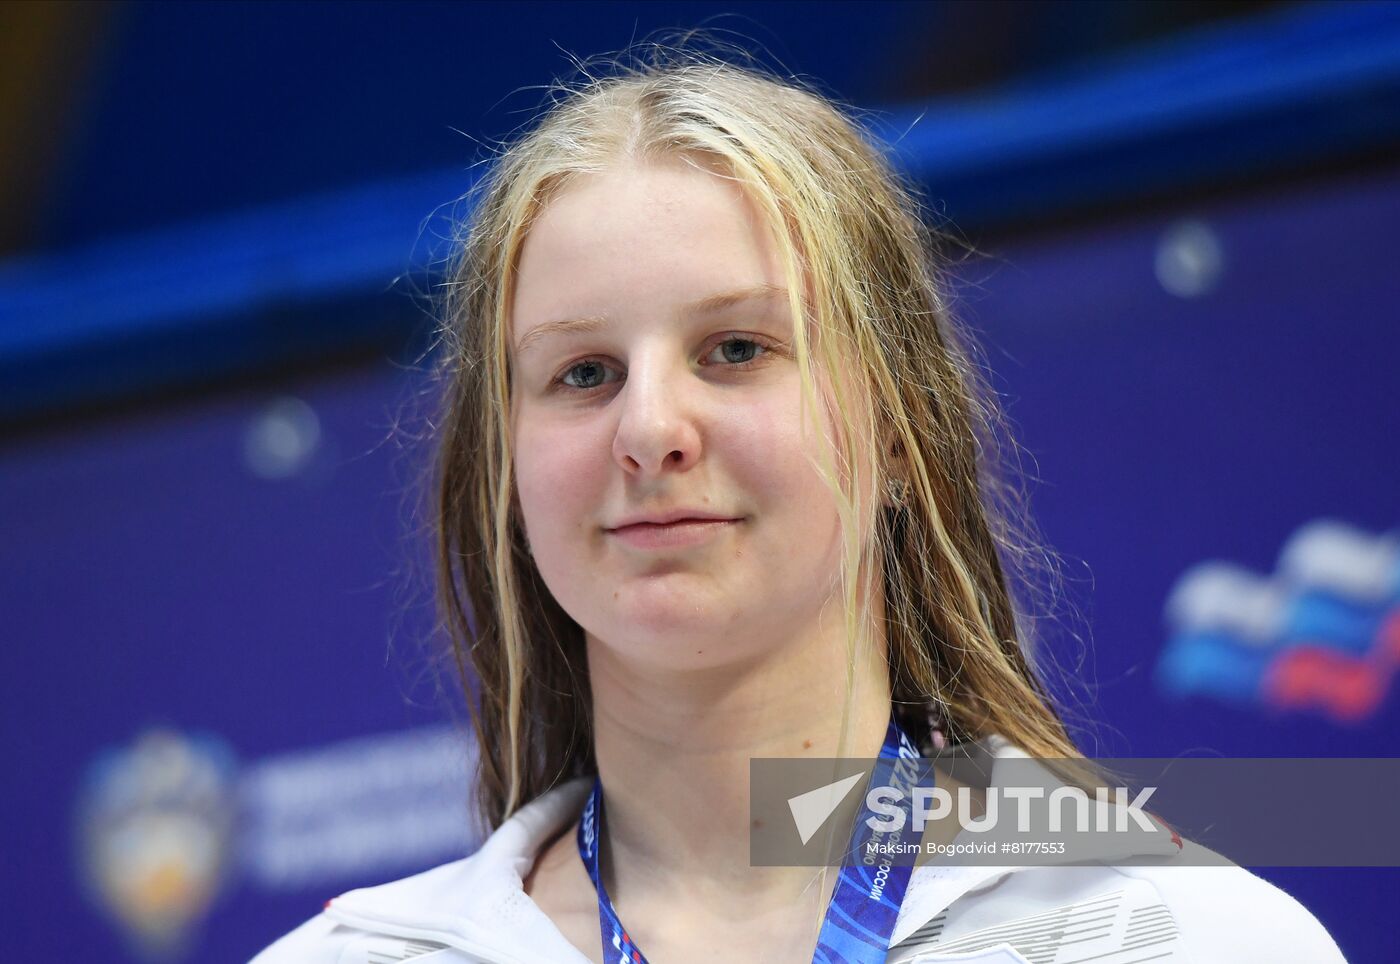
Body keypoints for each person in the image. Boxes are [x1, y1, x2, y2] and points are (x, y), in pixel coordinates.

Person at [252, 46, 1347, 964]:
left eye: (736, 349)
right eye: (583, 373)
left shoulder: (1187, 939)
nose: (649, 427)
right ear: (504, 467)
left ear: (900, 426)